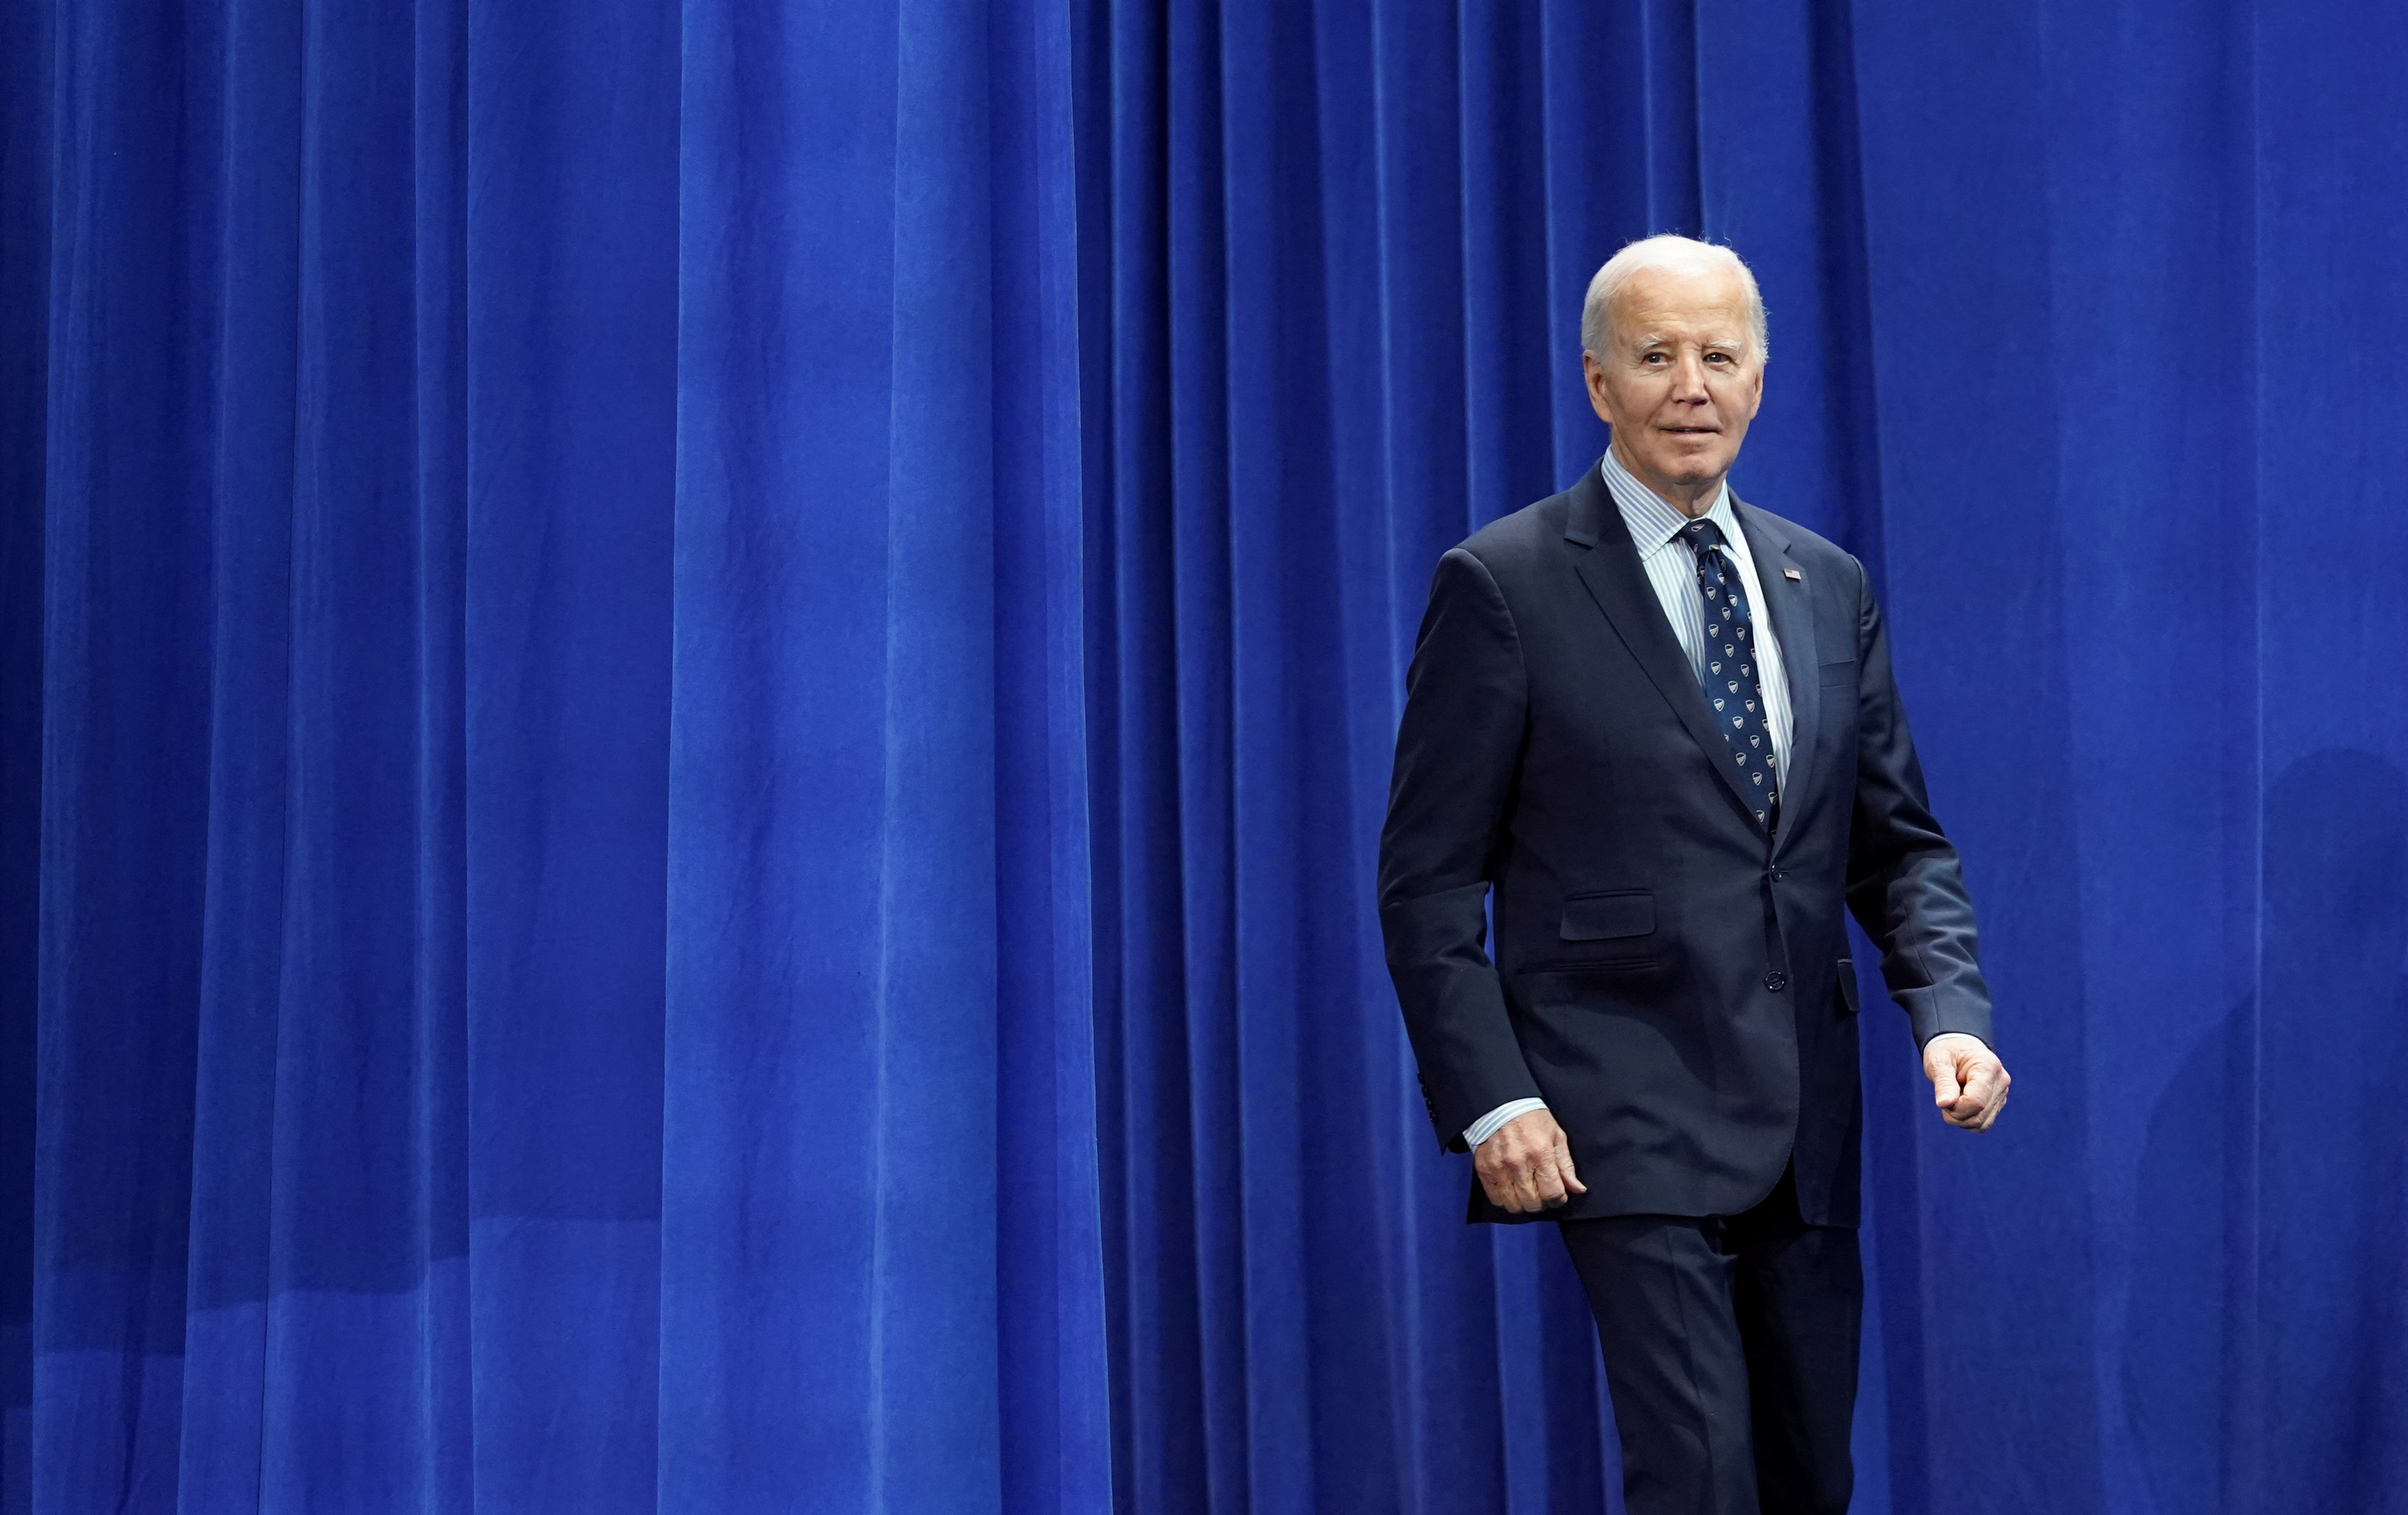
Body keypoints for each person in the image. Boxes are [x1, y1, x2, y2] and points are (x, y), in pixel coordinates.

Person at [1376, 234, 2010, 1515]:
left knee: (1802, 1480)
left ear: (1761, 379)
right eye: (1656, 356)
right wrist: (1495, 1101)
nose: (1691, 386)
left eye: (1719, 356)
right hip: (1620, 1109)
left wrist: (1948, 1011)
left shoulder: (1825, 584)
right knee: (1700, 1477)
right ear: (1598, 382)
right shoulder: (1502, 585)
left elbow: (1899, 845)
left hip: (1805, 1120)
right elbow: (1429, 884)